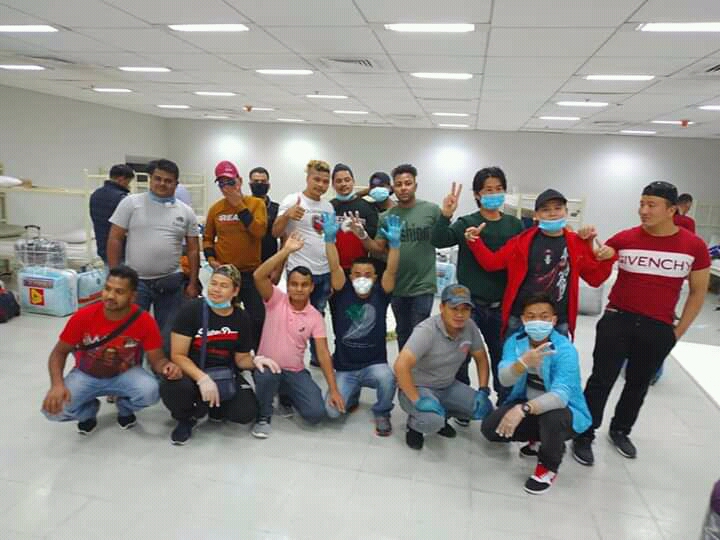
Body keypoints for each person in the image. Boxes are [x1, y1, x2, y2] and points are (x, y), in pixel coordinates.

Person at [573, 181, 711, 465]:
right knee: (601, 379)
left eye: (651, 205)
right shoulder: (625, 239)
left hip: (657, 327)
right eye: (641, 204)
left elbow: (698, 292)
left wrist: (677, 333)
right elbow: (596, 275)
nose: (644, 211)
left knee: (638, 383)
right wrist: (588, 246)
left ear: (672, 210)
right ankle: (584, 433)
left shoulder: (693, 246)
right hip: (618, 319)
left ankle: (621, 430)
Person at [41, 265, 182, 434]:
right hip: (85, 375)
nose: (110, 296)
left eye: (119, 292)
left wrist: (167, 367)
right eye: (107, 289)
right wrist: (57, 385)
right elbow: (59, 353)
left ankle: (124, 407)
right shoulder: (83, 316)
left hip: (126, 374)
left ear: (132, 296)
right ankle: (88, 412)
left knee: (151, 392)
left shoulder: (144, 321)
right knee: (53, 411)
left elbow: (157, 360)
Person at [464, 188, 615, 339]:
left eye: (558, 208)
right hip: (521, 317)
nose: (552, 213)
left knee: (558, 355)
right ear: (536, 215)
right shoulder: (520, 243)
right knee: (513, 354)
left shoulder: (576, 244)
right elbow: (491, 263)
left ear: (566, 212)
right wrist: (475, 242)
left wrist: (609, 258)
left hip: (557, 320)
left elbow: (595, 279)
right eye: (545, 209)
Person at [481, 293, 591, 494]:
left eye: (544, 316)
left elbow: (560, 396)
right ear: (523, 320)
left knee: (552, 418)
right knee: (490, 428)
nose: (537, 321)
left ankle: (548, 467)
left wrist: (522, 410)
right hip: (528, 402)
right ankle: (540, 439)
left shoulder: (565, 350)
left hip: (562, 411)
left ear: (554, 320)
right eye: (531, 316)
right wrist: (522, 363)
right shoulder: (515, 342)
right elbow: (504, 379)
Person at [431, 167, 523, 407]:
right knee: (461, 355)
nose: (494, 194)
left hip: (501, 305)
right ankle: (462, 403)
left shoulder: (514, 225)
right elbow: (438, 240)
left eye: (499, 189)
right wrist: (445, 214)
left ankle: (504, 403)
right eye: (488, 190)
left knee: (502, 355)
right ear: (477, 195)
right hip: (469, 305)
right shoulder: (467, 222)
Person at [160, 264, 278, 445]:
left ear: (235, 291)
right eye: (213, 283)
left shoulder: (241, 317)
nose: (216, 289)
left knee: (245, 413)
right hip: (192, 372)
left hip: (224, 373)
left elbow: (241, 359)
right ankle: (186, 418)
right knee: (172, 386)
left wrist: (256, 360)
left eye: (223, 286)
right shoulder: (191, 310)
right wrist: (202, 378)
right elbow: (178, 355)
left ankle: (215, 406)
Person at [251, 232, 345, 438]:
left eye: (304, 285)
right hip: (268, 366)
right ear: (288, 285)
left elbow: (323, 354)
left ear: (312, 287)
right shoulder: (275, 299)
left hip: (295, 370)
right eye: (294, 284)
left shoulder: (315, 317)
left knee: (316, 414)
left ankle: (286, 394)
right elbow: (258, 275)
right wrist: (285, 251)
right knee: (267, 376)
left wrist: (334, 389)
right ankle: (263, 416)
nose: (299, 289)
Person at [321, 211, 401, 436]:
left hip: (374, 364)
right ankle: (353, 393)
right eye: (357, 274)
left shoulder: (381, 292)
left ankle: (382, 411)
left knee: (388, 379)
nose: (362, 278)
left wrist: (395, 246)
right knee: (331, 412)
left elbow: (392, 270)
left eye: (367, 274)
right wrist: (329, 240)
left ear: (375, 278)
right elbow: (334, 266)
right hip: (345, 367)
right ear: (350, 276)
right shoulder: (342, 289)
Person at [107, 159, 201, 334]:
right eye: (158, 178)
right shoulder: (131, 203)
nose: (162, 184)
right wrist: (115, 275)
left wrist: (193, 283)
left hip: (171, 282)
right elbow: (115, 238)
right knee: (131, 333)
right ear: (150, 179)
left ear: (176, 184)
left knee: (168, 335)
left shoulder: (186, 212)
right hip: (135, 282)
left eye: (168, 180)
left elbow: (193, 249)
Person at [394, 284, 492, 450]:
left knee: (484, 408)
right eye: (454, 308)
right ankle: (414, 426)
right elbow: (400, 366)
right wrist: (417, 399)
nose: (460, 314)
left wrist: (483, 390)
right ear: (442, 308)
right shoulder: (426, 330)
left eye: (465, 309)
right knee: (431, 420)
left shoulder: (470, 327)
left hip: (447, 385)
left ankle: (442, 417)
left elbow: (481, 358)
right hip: (418, 387)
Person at [354, 164, 441, 350]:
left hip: (423, 285)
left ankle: (418, 368)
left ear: (415, 185)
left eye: (408, 183)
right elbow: (377, 249)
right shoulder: (386, 216)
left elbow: (444, 237)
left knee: (420, 335)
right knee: (403, 332)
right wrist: (362, 235)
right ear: (393, 187)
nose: (403, 188)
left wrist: (447, 216)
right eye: (399, 184)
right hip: (397, 285)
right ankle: (404, 368)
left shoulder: (431, 210)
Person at [273, 160, 334, 365]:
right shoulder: (293, 200)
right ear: (308, 178)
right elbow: (275, 232)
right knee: (295, 315)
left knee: (318, 315)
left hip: (324, 270)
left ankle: (317, 358)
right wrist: (287, 215)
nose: (321, 185)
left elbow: (329, 238)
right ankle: (290, 357)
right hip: (299, 271)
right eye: (317, 179)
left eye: (325, 181)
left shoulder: (328, 206)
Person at [203, 160, 268, 349]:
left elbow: (259, 232)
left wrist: (239, 205)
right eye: (222, 184)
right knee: (224, 317)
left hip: (250, 273)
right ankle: (229, 354)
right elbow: (207, 238)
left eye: (230, 182)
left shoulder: (256, 204)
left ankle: (256, 355)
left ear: (239, 181)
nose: (227, 187)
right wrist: (211, 259)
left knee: (257, 318)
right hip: (225, 274)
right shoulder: (216, 209)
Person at [329, 163, 379, 272]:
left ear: (353, 181)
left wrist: (360, 231)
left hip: (361, 268)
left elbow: (376, 241)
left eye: (347, 180)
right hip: (334, 267)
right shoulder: (329, 207)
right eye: (339, 181)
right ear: (333, 185)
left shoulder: (367, 207)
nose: (343, 184)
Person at [89, 164, 134, 264]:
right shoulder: (122, 198)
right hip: (120, 250)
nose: (128, 185)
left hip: (102, 247)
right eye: (128, 182)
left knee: (110, 272)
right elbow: (128, 225)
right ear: (121, 179)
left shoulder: (95, 194)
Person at [248, 166, 280, 269]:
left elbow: (283, 236)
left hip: (269, 262)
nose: (259, 184)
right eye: (256, 181)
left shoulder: (276, 208)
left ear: (269, 185)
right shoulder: (243, 207)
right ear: (250, 184)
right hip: (246, 262)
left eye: (263, 181)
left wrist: (278, 267)